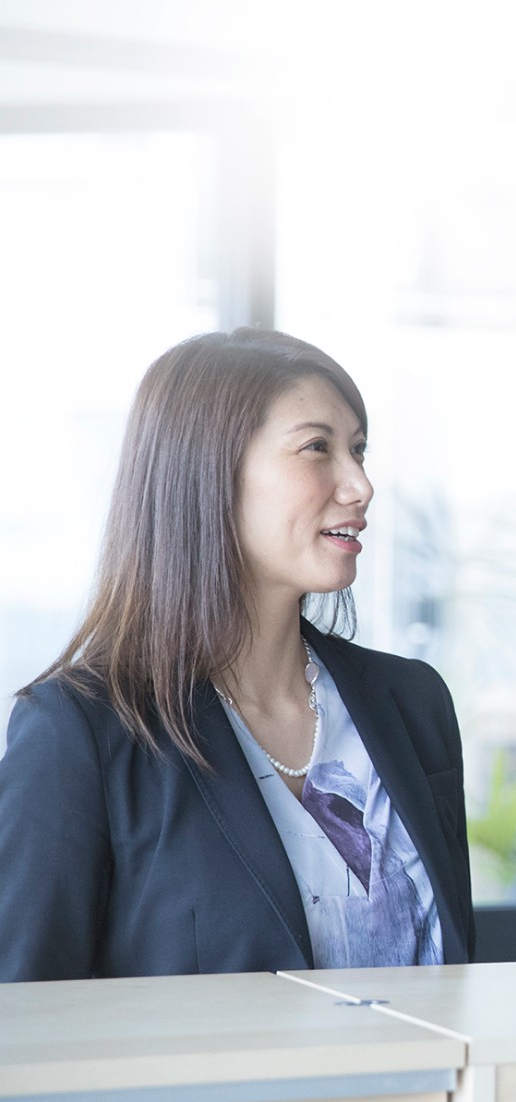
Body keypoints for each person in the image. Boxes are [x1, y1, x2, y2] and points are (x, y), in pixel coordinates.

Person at [0, 329, 474, 981]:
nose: (361, 485)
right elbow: (24, 1016)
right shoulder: (81, 730)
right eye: (318, 448)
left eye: (359, 450)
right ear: (209, 471)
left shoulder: (413, 704)